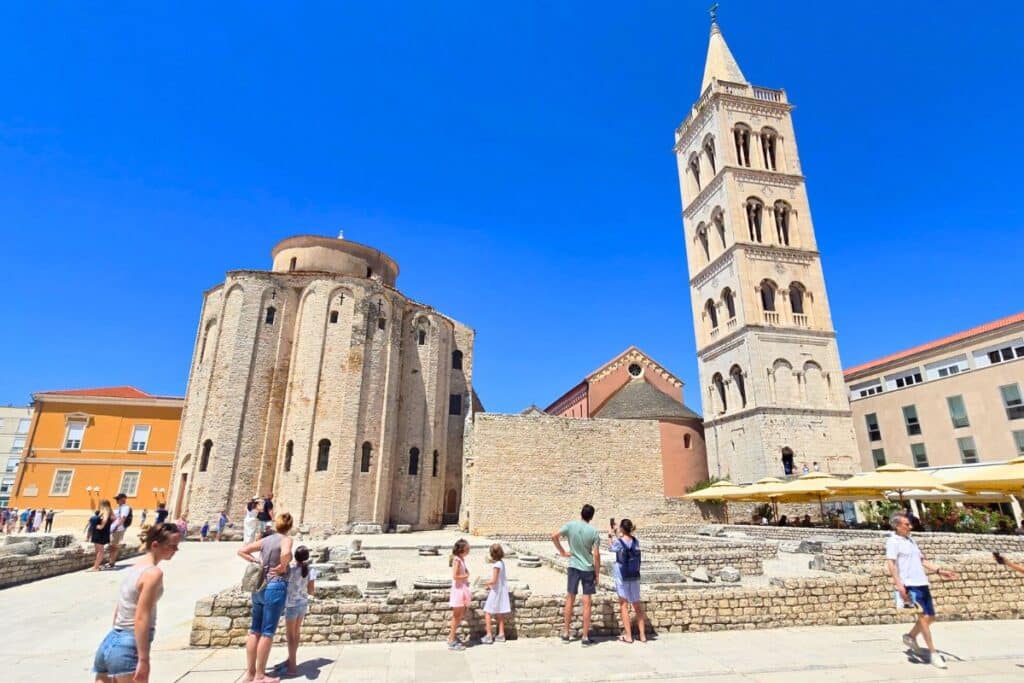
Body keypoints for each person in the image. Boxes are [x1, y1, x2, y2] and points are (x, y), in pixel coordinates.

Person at [92, 522, 180, 683]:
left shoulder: (134, 567)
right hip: (128, 646)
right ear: (155, 545)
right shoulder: (153, 573)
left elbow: (119, 609)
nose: (176, 550)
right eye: (172, 546)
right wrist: (144, 659)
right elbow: (141, 616)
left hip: (110, 641)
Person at [886, 511, 957, 669]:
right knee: (924, 617)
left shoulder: (911, 540)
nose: (910, 526)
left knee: (931, 617)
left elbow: (922, 560)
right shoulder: (893, 541)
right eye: (906, 524)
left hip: (922, 582)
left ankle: (910, 636)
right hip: (909, 584)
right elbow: (891, 564)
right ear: (897, 526)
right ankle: (933, 653)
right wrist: (899, 585)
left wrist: (940, 571)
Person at [238, 512, 294, 683]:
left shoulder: (266, 540)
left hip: (259, 587)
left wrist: (257, 563)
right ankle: (261, 675)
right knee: (268, 632)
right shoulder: (286, 539)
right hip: (275, 586)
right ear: (289, 526)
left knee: (255, 630)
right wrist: (282, 566)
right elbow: (285, 553)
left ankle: (250, 673)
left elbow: (242, 550)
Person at [551, 503, 601, 646]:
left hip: (573, 566)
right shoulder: (594, 532)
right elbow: (596, 555)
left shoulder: (570, 526)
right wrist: (597, 574)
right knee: (587, 603)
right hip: (587, 569)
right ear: (591, 517)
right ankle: (585, 637)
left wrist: (562, 552)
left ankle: (566, 633)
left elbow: (554, 536)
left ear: (581, 513)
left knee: (570, 599)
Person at [280, 545, 317, 677]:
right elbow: (311, 590)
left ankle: (292, 666)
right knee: (296, 632)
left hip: (291, 604)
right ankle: (291, 659)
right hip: (303, 603)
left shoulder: (290, 569)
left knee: (290, 635)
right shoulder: (311, 570)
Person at [609, 518, 646, 644]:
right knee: (637, 605)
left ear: (622, 529)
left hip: (622, 575)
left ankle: (629, 636)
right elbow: (628, 544)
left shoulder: (619, 542)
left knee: (623, 604)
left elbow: (612, 548)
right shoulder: (636, 541)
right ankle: (642, 635)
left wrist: (610, 536)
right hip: (634, 575)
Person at [480, 543, 510, 644]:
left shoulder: (496, 565)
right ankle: (501, 634)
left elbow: (494, 580)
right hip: (502, 590)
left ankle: (489, 635)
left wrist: (484, 583)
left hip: (496, 592)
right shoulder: (502, 563)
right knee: (499, 612)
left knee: (487, 612)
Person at [446, 539, 471, 651]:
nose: (469, 550)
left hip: (462, 589)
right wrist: (465, 577)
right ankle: (451, 639)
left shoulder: (461, 559)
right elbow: (455, 576)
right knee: (457, 616)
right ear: (462, 549)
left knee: (459, 615)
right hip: (458, 590)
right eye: (467, 548)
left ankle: (452, 636)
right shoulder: (456, 560)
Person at [107, 493, 132, 569]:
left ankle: (111, 563)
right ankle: (111, 562)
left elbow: (123, 518)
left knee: (114, 546)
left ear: (123, 499)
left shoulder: (125, 508)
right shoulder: (119, 508)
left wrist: (116, 527)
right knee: (112, 545)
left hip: (118, 529)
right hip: (114, 529)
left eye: (118, 499)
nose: (116, 500)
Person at [90, 501, 114, 572]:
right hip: (102, 532)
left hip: (100, 533)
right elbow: (113, 519)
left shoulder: (105, 511)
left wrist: (101, 526)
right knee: (98, 550)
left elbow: (105, 519)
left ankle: (96, 567)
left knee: (100, 551)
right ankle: (96, 565)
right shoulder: (110, 511)